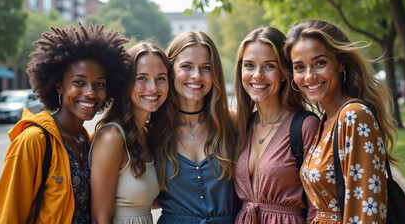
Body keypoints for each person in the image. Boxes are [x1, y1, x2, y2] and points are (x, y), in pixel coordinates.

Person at [0, 23, 130, 223]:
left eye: (99, 84)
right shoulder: (34, 141)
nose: (90, 92)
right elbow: (8, 216)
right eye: (79, 82)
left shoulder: (87, 142)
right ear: (59, 86)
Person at [284, 20, 397, 223]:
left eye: (319, 63)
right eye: (300, 67)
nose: (309, 76)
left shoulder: (354, 116)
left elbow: (367, 211)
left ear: (341, 62)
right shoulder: (326, 121)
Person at [150, 30, 239, 224]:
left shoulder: (233, 123)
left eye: (205, 68)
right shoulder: (153, 131)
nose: (196, 76)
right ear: (171, 71)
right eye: (187, 67)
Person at [233, 26, 319, 224]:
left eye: (269, 66)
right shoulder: (241, 125)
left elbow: (317, 206)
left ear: (283, 72)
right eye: (249, 65)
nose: (257, 75)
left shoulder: (305, 126)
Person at [89, 41, 171, 223]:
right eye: (142, 78)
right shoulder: (112, 137)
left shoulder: (146, 135)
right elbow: (98, 219)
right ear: (125, 83)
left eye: (161, 78)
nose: (153, 88)